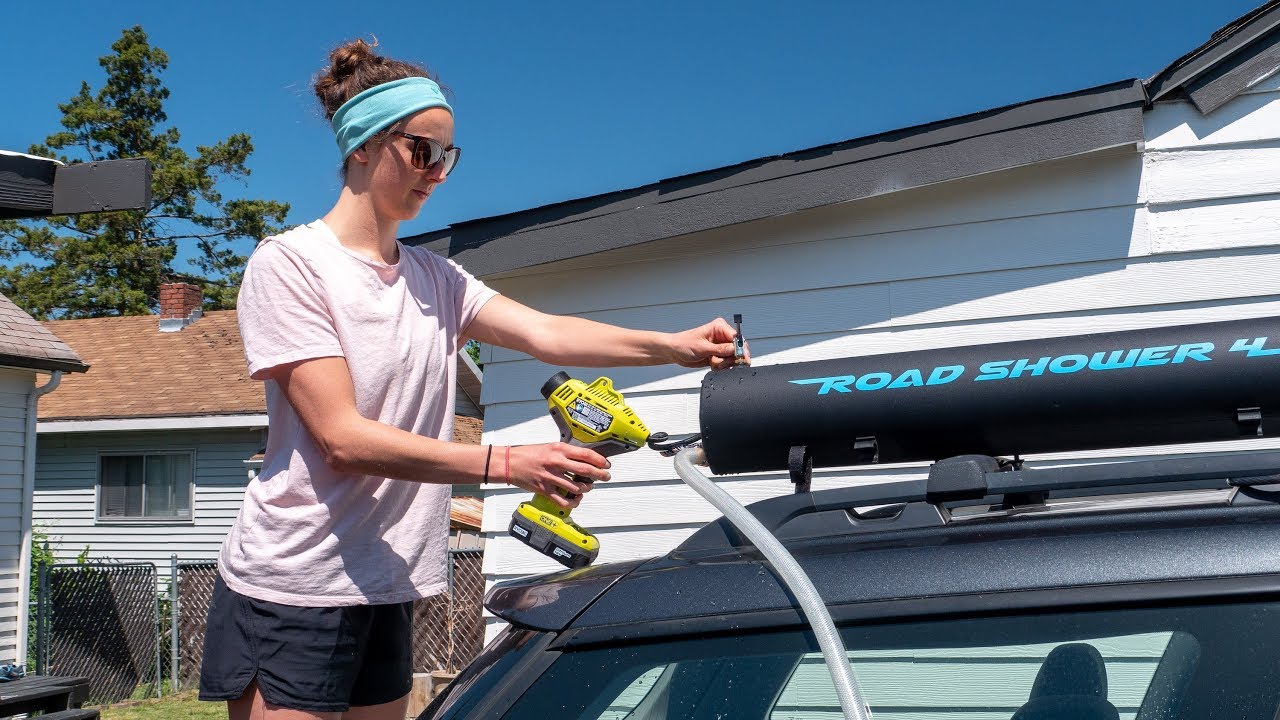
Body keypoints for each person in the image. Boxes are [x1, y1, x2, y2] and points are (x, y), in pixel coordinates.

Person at [198, 39, 743, 720]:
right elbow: (342, 438)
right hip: (296, 583)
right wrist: (507, 462)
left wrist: (676, 346)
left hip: (385, 579)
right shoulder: (291, 266)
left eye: (447, 157)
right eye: (422, 151)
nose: (438, 173)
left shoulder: (436, 279)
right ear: (363, 146)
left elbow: (546, 332)